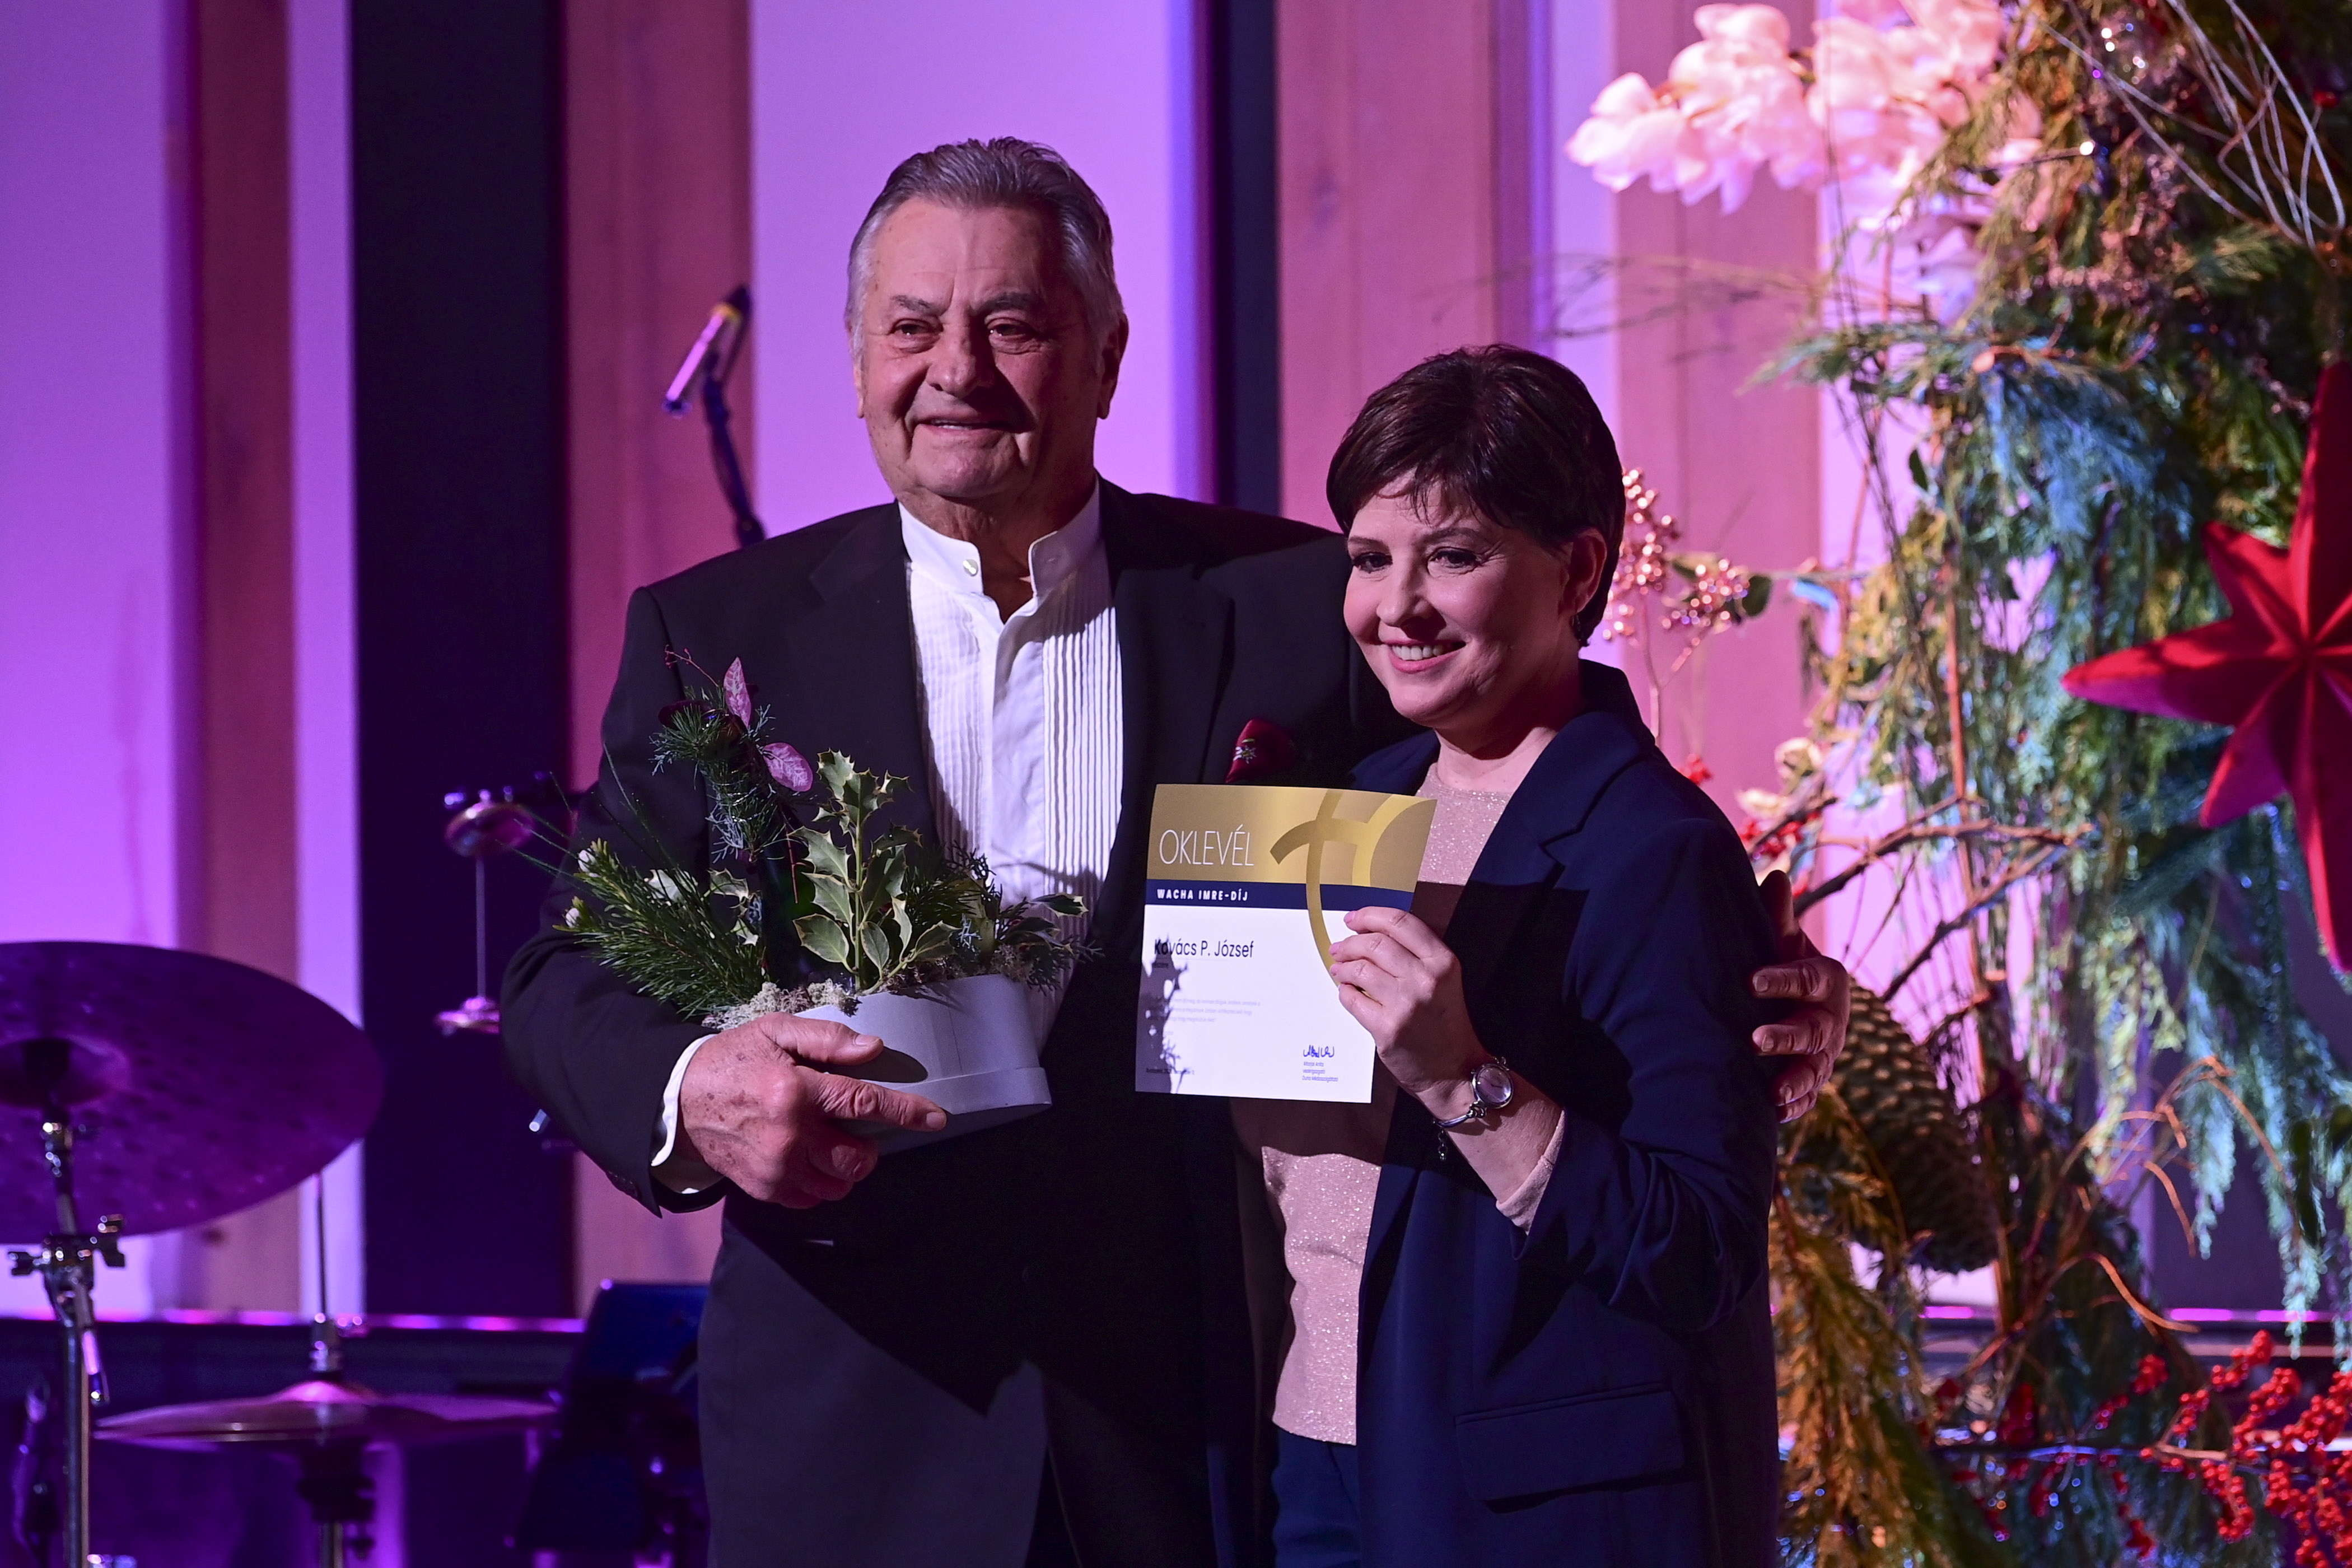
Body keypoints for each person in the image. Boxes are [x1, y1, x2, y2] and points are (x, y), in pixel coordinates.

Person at [503, 140, 1847, 1568]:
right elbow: (564, 968)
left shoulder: (1294, 601)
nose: (956, 369)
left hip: (1200, 1441)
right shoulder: (719, 633)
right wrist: (693, 1091)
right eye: (911, 326)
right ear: (854, 361)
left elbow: (1525, 789)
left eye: (1012, 323)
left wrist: (1755, 981)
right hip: (856, 1427)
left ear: (1108, 356)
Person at [1233, 345, 1784, 1567]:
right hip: (1313, 1460)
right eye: (1369, 559)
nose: (1398, 607)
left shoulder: (1656, 850)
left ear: (1578, 569)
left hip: (1526, 1501)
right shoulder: (1353, 807)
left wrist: (1463, 1079)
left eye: (1454, 556)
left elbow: (1699, 1248)